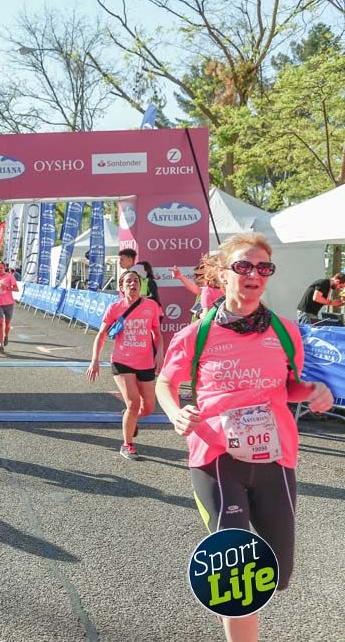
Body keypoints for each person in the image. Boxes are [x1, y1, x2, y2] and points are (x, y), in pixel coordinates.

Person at [155, 233, 333, 642]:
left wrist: (312, 391)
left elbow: (290, 386)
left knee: (277, 572)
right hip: (216, 457)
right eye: (243, 266)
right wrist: (176, 412)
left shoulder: (286, 332)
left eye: (263, 267)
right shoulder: (197, 334)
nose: (255, 274)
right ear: (223, 274)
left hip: (275, 458)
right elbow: (166, 382)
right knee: (235, 572)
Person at [85, 270, 164, 460]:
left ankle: (129, 417)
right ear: (121, 287)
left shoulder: (151, 306)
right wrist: (95, 360)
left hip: (145, 362)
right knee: (134, 403)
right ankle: (127, 444)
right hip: (122, 361)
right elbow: (101, 334)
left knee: (148, 408)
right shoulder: (115, 307)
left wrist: (160, 353)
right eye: (128, 281)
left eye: (136, 281)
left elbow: (157, 333)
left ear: (140, 285)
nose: (132, 284)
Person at [0, 261, 19, 353]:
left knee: (7, 324)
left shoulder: (9, 276)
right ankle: (0, 344)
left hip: (9, 303)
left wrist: (7, 287)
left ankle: (6, 336)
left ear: (4, 268)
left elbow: (16, 289)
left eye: (1, 268)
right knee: (0, 323)